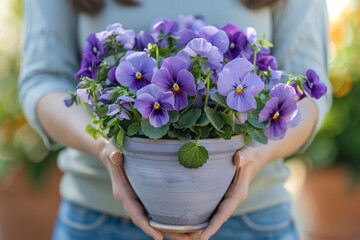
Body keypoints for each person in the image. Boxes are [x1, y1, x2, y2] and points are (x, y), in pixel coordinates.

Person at [19, 0, 332, 239]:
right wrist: (104, 148)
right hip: (101, 220)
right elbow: (43, 80)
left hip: (252, 219)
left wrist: (256, 156)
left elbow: (309, 95)